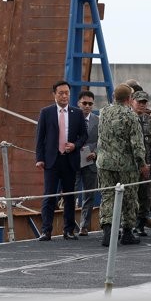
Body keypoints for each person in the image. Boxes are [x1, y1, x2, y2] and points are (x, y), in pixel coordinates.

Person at [34, 80, 87, 241]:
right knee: (49, 195)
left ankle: (69, 230)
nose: (64, 96)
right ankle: (46, 230)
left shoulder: (77, 113)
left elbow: (84, 136)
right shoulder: (46, 112)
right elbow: (40, 137)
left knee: (70, 196)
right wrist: (39, 158)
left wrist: (75, 145)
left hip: (69, 160)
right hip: (52, 160)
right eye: (61, 93)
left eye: (67, 93)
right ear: (54, 95)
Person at [97, 84, 148, 246]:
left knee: (107, 196)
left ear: (114, 97)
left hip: (104, 163)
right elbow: (137, 144)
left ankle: (107, 231)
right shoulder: (131, 116)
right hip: (126, 165)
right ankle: (127, 232)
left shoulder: (104, 112)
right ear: (129, 99)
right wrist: (142, 163)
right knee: (129, 198)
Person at [133, 90, 151, 236]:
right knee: (131, 195)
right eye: (139, 102)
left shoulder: (150, 121)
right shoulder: (128, 118)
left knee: (146, 195)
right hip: (131, 166)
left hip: (147, 164)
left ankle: (140, 224)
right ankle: (130, 224)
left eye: (144, 102)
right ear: (132, 102)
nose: (142, 105)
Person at [76, 90, 99, 236]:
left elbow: (102, 140)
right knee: (70, 194)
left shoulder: (98, 120)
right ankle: (69, 224)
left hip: (90, 161)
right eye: (84, 103)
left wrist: (96, 153)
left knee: (89, 194)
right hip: (73, 160)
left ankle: (84, 225)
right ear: (79, 103)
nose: (87, 106)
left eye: (90, 104)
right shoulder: (72, 119)